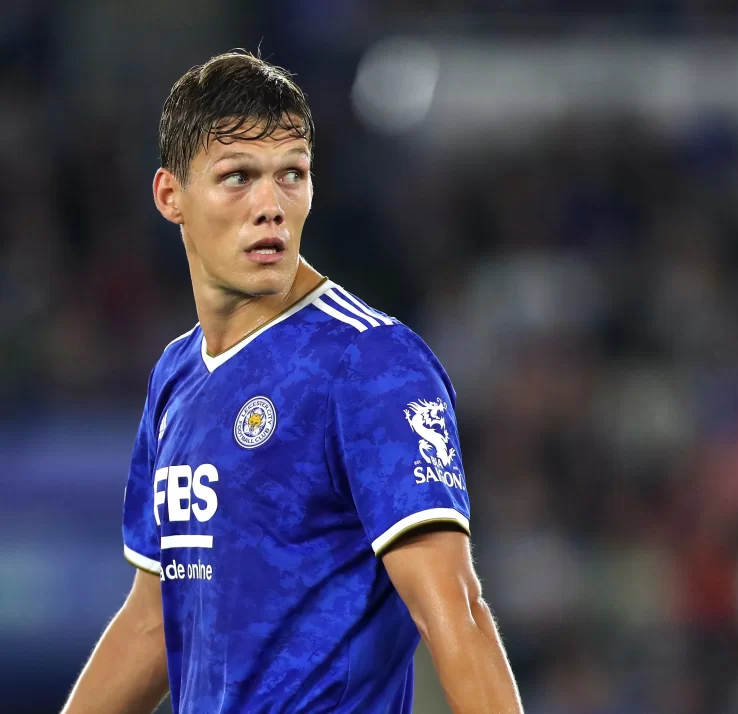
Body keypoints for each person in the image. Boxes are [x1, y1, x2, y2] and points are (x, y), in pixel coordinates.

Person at [61, 50, 523, 714]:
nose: (271, 206)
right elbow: (156, 618)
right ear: (170, 197)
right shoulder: (176, 376)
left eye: (291, 175)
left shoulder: (369, 362)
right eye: (238, 176)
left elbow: (454, 608)